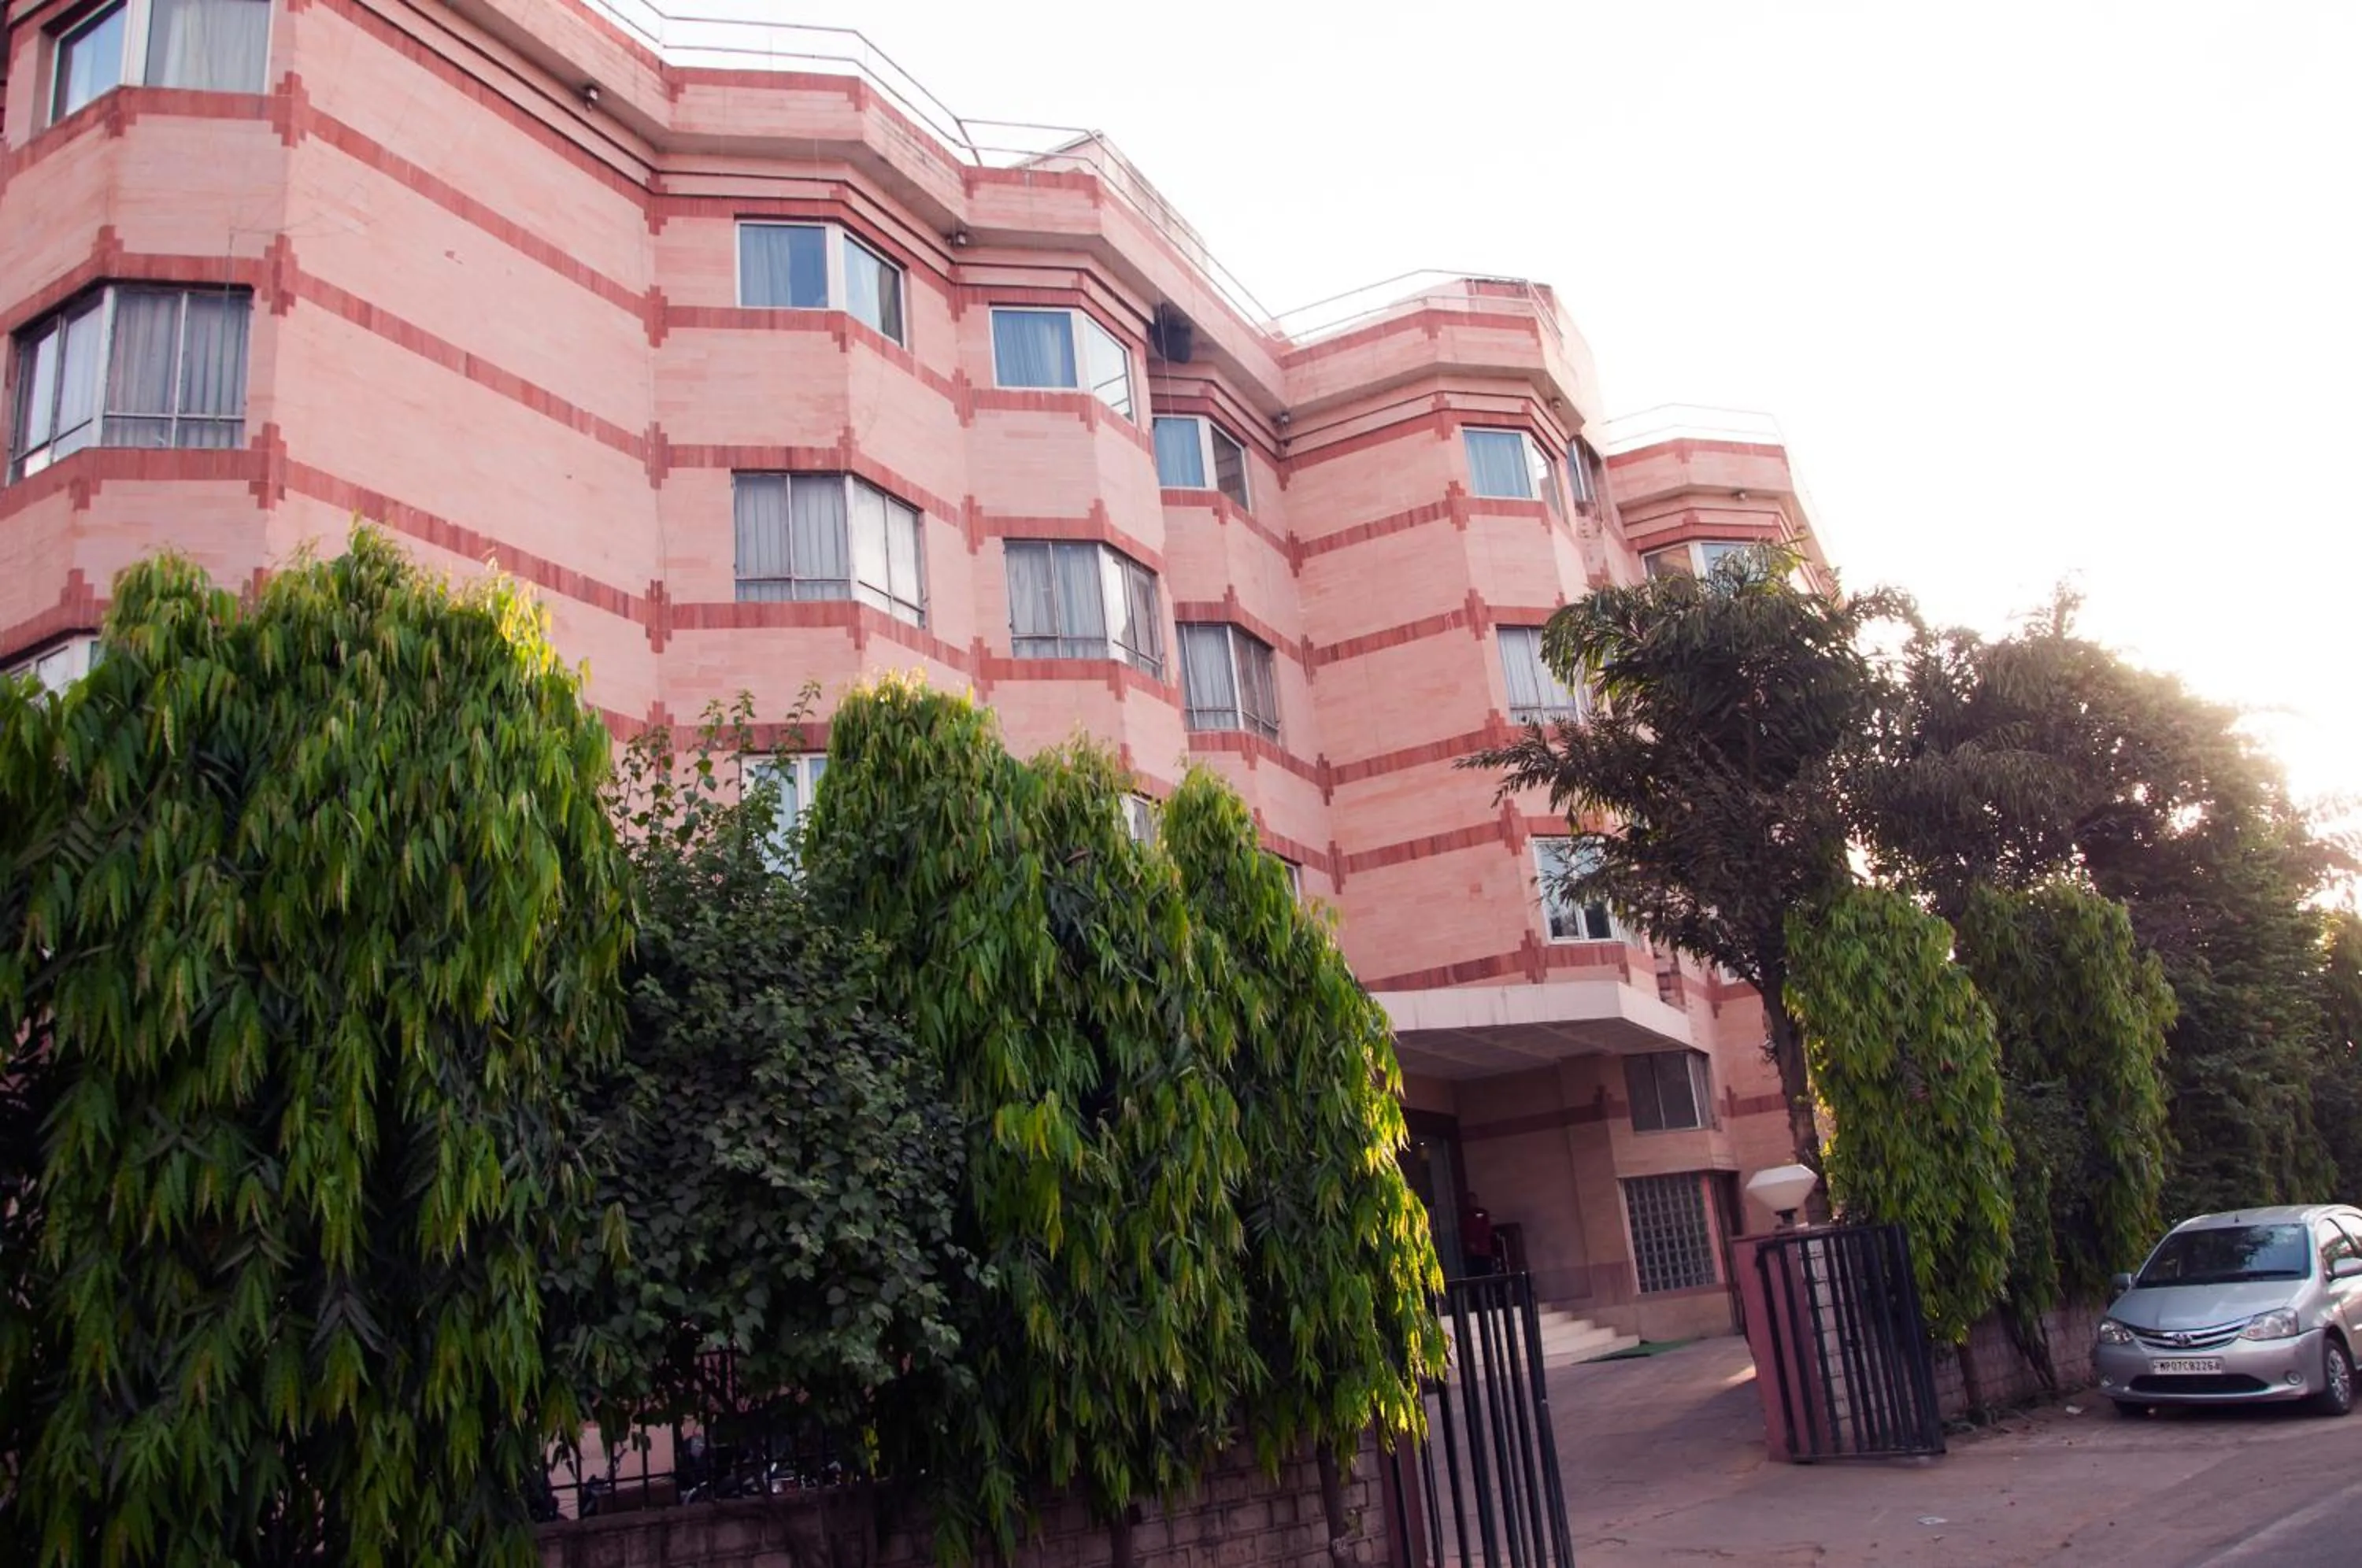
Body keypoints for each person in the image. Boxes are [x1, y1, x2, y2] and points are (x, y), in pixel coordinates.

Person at [1459, 1191, 1498, 1277]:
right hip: (1471, 1252)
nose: (1471, 1203)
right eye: (1469, 1201)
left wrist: (1477, 1243)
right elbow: (1464, 1231)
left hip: (1483, 1250)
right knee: (1475, 1274)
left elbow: (1486, 1229)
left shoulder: (1482, 1213)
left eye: (1473, 1200)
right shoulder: (1465, 1215)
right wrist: (1469, 1243)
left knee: (1486, 1272)